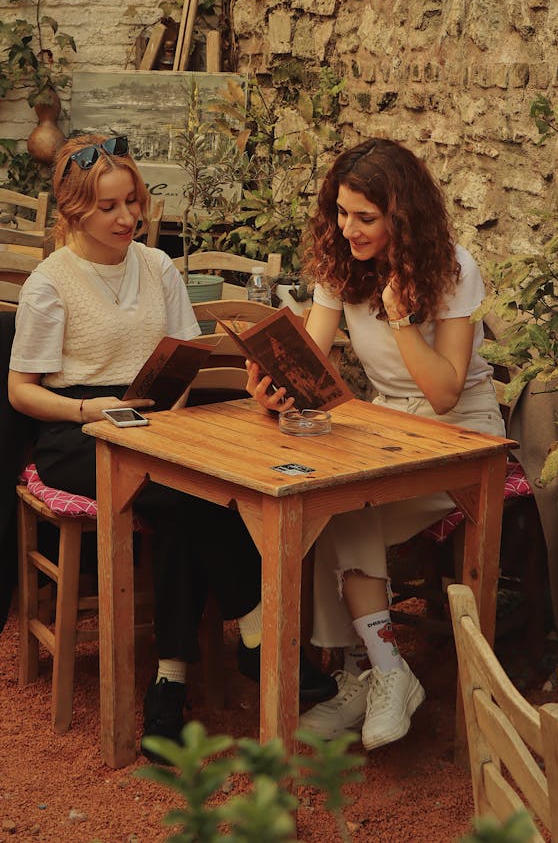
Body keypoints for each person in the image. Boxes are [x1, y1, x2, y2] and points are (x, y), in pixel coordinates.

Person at [7, 133, 333, 759]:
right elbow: (22, 391)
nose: (127, 217)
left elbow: (183, 357)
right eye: (108, 207)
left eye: (132, 201)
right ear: (75, 210)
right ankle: (257, 630)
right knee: (189, 496)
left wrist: (172, 420)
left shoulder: (157, 267)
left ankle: (170, 682)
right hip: (77, 428)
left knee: (194, 489)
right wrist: (89, 409)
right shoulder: (51, 281)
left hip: (157, 418)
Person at [246, 137, 505, 751]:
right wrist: (273, 387)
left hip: (462, 433)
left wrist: (397, 319)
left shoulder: (454, 269)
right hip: (387, 424)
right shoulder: (340, 264)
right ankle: (375, 673)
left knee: (344, 503)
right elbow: (308, 359)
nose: (348, 228)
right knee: (328, 499)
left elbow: (444, 391)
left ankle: (377, 671)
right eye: (341, 212)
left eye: (365, 217)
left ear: (402, 216)